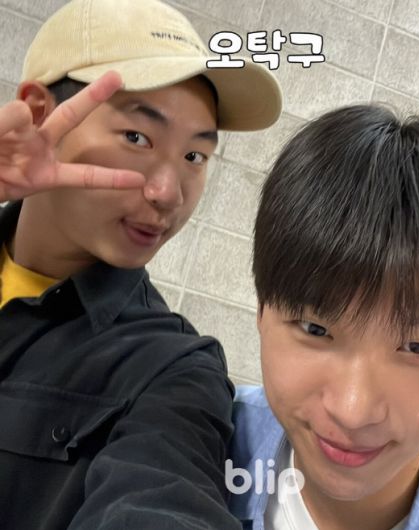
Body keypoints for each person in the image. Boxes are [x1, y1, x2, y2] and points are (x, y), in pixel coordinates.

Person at [0, 0, 281, 528]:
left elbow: (162, 494)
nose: (168, 193)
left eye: (194, 156)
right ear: (39, 114)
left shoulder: (173, 369)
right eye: (137, 138)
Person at [229, 105, 419, 529]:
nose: (352, 411)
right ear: (262, 310)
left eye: (418, 347)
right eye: (316, 329)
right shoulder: (192, 440)